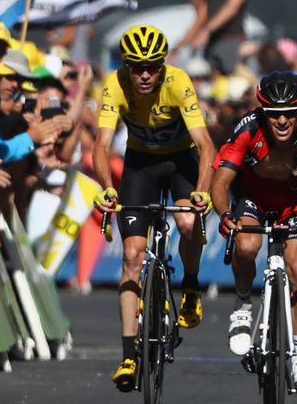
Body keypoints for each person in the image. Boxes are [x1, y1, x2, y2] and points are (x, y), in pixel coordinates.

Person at [92, 24, 215, 391]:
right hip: (140, 165)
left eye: (152, 67)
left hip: (181, 163)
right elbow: (100, 146)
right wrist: (106, 187)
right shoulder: (115, 84)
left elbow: (206, 146)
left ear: (162, 65)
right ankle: (129, 355)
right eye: (136, 67)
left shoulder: (178, 82)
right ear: (125, 66)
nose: (144, 74)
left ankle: (190, 287)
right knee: (132, 255)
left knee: (190, 225)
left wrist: (203, 193)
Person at [212, 71, 297, 395]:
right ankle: (243, 306)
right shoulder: (247, 129)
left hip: (294, 205)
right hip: (251, 200)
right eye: (275, 115)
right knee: (245, 246)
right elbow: (220, 183)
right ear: (263, 113)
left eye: (290, 114)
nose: (283, 121)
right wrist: (225, 214)